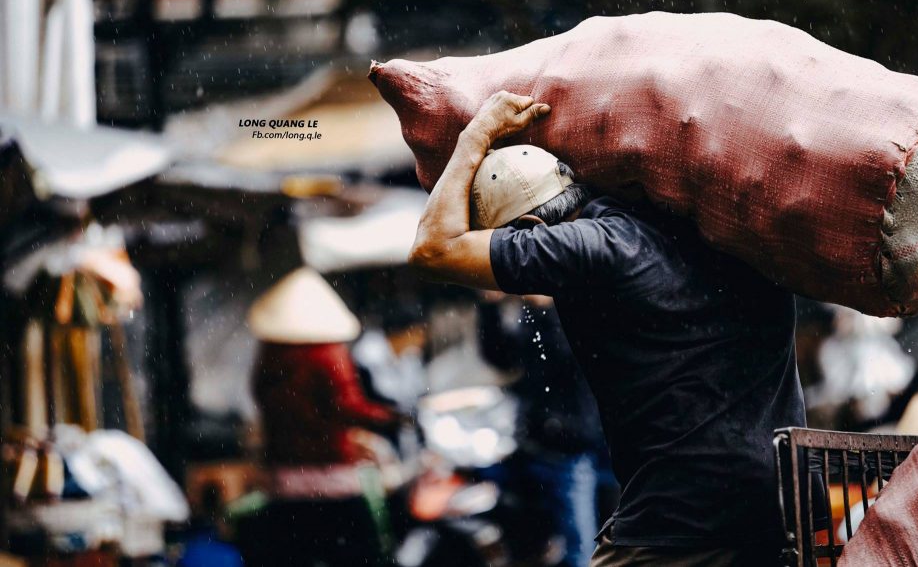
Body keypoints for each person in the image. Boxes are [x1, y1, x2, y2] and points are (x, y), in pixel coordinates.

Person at [408, 92, 807, 566]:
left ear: (535, 228)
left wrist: (477, 135)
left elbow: (433, 249)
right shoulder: (713, 231)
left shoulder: (590, 249)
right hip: (788, 503)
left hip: (682, 520)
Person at [248, 267, 401, 567]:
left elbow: (263, 399)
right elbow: (346, 406)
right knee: (354, 557)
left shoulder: (270, 355)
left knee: (296, 557)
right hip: (333, 478)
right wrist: (388, 417)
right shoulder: (329, 353)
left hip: (285, 480)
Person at [478, 291, 608, 567]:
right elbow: (501, 356)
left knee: (579, 545)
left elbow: (563, 354)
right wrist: (489, 307)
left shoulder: (577, 311)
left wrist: (545, 304)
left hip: (571, 449)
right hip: (534, 445)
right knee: (532, 544)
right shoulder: (531, 319)